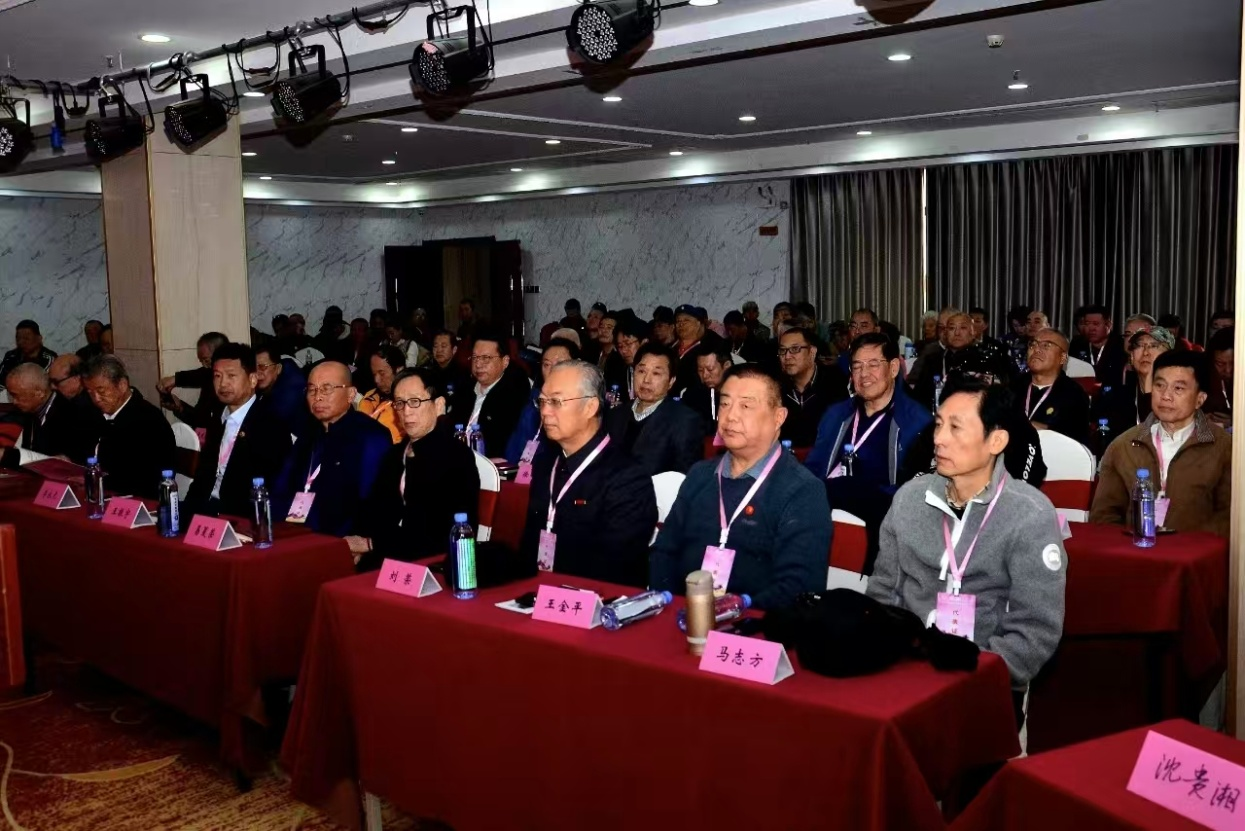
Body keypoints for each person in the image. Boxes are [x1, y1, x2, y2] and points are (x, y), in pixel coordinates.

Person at [868, 379, 1066, 704]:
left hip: (984, 683)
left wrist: (975, 675)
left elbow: (1035, 631)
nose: (938, 439)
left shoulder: (1029, 514)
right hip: (907, 671)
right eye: (938, 424)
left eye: (956, 428)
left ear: (996, 441)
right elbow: (883, 594)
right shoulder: (910, 499)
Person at [650, 364, 831, 609]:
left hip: (754, 623)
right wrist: (671, 604)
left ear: (778, 417)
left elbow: (797, 587)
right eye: (725, 404)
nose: (730, 416)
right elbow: (664, 551)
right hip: (681, 614)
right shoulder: (700, 474)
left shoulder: (802, 490)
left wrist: (730, 612)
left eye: (746, 406)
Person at [520, 360, 657, 586]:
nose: (545, 411)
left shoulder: (628, 478)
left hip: (599, 599)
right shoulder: (546, 465)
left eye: (556, 402)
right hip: (541, 593)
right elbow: (528, 547)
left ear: (590, 407)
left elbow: (616, 568)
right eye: (542, 401)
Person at [805, 333, 933, 573]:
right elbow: (813, 468)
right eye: (857, 366)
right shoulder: (836, 414)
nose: (864, 374)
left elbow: (913, 492)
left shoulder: (917, 422)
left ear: (893, 368)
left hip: (881, 519)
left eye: (873, 365)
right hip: (825, 511)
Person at [350, 368, 481, 571]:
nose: (406, 411)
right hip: (387, 555)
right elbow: (375, 508)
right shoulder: (395, 455)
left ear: (438, 405)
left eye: (415, 402)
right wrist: (361, 542)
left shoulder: (455, 457)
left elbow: (441, 533)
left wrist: (372, 543)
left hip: (431, 564)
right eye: (400, 403)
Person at [1091, 350, 1231, 537]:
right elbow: (1104, 516)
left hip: (1196, 552)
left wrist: (1187, 548)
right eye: (1159, 385)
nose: (1166, 396)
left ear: (1200, 399)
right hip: (1136, 549)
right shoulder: (1123, 446)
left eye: (1178, 388)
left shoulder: (1224, 447)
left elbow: (1229, 517)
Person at [272, 361, 392, 537]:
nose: (317, 397)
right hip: (295, 531)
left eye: (326, 389)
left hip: (340, 539)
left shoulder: (370, 436)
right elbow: (282, 487)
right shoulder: (308, 434)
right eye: (312, 390)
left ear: (351, 394)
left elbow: (372, 502)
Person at [183, 343, 292, 518]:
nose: (222, 384)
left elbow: (269, 488)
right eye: (217, 376)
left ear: (253, 380)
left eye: (231, 376)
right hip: (206, 510)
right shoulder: (217, 418)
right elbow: (203, 477)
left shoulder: (270, 425)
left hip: (241, 516)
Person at [82, 354, 177, 500]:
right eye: (90, 393)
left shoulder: (148, 421)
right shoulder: (96, 414)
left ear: (122, 385)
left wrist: (99, 480)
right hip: (103, 492)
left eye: (101, 391)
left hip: (137, 500)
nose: (96, 399)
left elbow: (144, 479)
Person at [605, 342, 704, 475]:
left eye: (656, 373)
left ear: (671, 381)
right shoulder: (616, 414)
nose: (646, 380)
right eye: (641, 371)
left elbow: (686, 476)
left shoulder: (685, 421)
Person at [451, 331, 531, 458]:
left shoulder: (513, 396)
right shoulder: (464, 390)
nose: (478, 364)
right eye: (475, 357)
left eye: (486, 358)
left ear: (505, 361)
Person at [504, 338, 580, 465]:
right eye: (546, 365)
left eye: (560, 364)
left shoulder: (582, 405)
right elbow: (515, 446)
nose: (552, 371)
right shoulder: (534, 401)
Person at [1095, 326, 1174, 445]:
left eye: (1154, 346)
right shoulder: (1118, 397)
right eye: (1139, 346)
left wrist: (1148, 389)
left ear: (1169, 356)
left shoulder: (1177, 397)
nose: (1145, 352)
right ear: (1131, 357)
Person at [0, 363, 91, 466]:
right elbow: (30, 455)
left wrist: (7, 455)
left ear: (40, 393)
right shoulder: (31, 413)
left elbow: (55, 459)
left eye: (16, 395)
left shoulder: (71, 414)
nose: (14, 402)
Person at [1016, 328, 1091, 446]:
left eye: (1046, 346)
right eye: (1033, 344)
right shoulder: (1013, 387)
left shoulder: (1074, 395)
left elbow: (1073, 437)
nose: (1036, 349)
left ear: (1062, 358)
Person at [777, 327, 849, 447]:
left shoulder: (834, 383)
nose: (787, 356)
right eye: (782, 350)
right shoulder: (775, 387)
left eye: (795, 349)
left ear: (812, 352)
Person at [156, 331, 228, 429]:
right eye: (201, 361)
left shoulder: (229, 387)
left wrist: (176, 379)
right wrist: (180, 407)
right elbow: (200, 420)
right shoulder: (209, 383)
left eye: (207, 360)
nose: (204, 366)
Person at [253, 345, 308, 439]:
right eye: (254, 368)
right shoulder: (273, 381)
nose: (257, 373)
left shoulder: (290, 392)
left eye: (262, 367)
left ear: (278, 368)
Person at [680, 344, 733, 435]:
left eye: (710, 369)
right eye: (700, 370)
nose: (705, 375)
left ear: (726, 366)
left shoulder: (743, 394)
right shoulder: (693, 396)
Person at [357, 345, 406, 444]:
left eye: (382, 373)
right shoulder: (369, 397)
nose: (376, 380)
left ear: (399, 370)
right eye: (374, 374)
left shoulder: (409, 403)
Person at [1069, 304, 1128, 384]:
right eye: (1087, 324)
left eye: (1096, 324)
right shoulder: (1077, 343)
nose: (1091, 328)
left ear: (1108, 325)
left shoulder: (1120, 345)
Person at [0, 320, 57, 386]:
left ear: (39, 339)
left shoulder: (50, 359)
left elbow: (41, 385)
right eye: (18, 338)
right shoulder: (11, 356)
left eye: (26, 338)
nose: (21, 342)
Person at [605, 316, 646, 404]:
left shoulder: (656, 372)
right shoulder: (619, 369)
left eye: (628, 344)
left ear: (644, 343)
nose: (623, 350)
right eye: (620, 346)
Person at [426, 329, 469, 403]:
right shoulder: (428, 372)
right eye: (436, 346)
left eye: (443, 346)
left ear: (454, 350)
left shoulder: (462, 375)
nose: (439, 350)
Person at [1205, 327, 1233, 428]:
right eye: (1220, 364)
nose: (1228, 370)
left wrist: (1237, 422)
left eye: (1233, 363)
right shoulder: (1204, 378)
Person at [595, 310, 620, 375]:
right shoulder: (593, 352)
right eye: (601, 327)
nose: (604, 331)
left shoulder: (620, 358)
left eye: (609, 328)